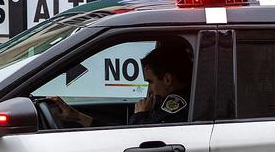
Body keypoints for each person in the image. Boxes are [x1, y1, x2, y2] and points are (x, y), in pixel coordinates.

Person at [44, 38, 193, 129]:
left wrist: (140, 116)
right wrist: (78, 117)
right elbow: (122, 129)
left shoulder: (178, 105)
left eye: (150, 82)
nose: (150, 90)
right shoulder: (166, 102)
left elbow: (136, 140)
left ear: (167, 79)